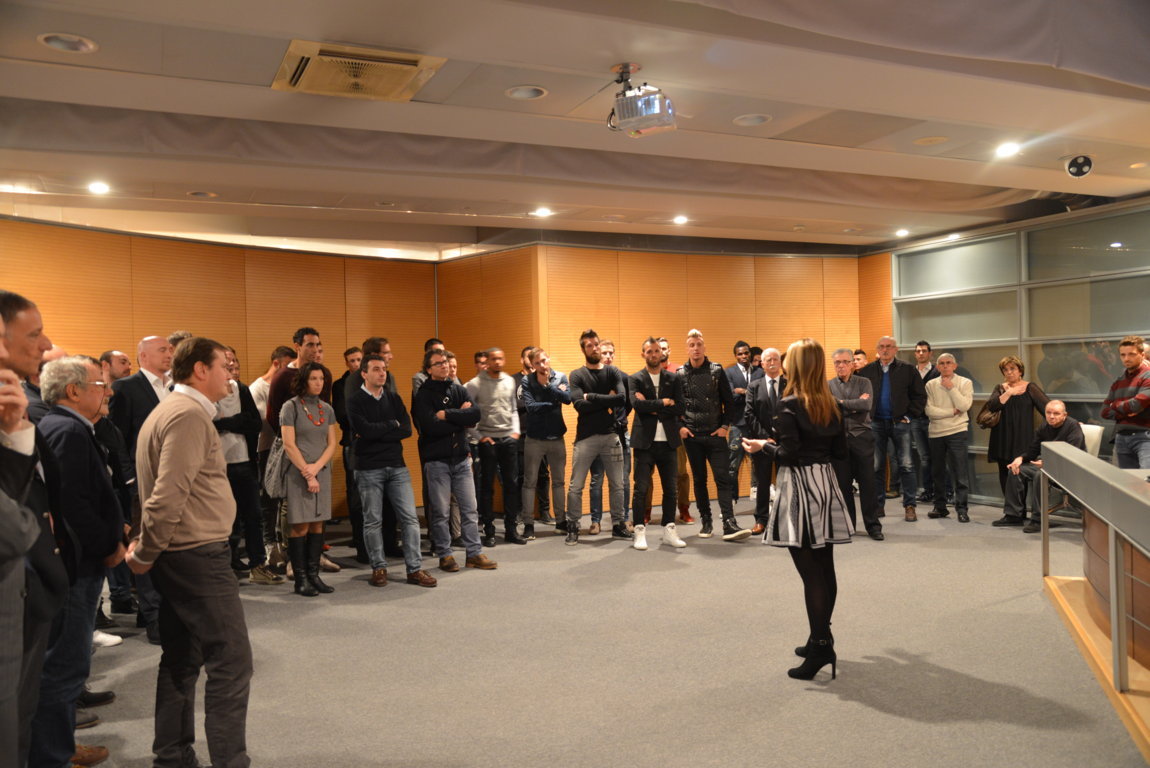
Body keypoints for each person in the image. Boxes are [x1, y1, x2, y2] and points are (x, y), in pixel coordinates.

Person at [126, 337, 254, 768]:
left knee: (181, 659)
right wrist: (145, 552)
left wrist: (150, 550)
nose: (230, 375)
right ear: (200, 370)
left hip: (183, 553)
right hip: (196, 555)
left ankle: (172, 756)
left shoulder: (175, 410)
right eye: (224, 366)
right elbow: (166, 496)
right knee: (231, 662)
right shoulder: (186, 415)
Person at [30, 356, 126, 768]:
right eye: (99, 385)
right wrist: (108, 544)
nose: (107, 391)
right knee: (66, 663)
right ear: (73, 391)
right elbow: (72, 504)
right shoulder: (67, 429)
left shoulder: (67, 426)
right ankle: (54, 754)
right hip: (76, 564)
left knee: (67, 660)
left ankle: (62, 744)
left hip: (77, 560)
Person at [743, 338, 851, 681]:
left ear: (798, 365)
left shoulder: (789, 403)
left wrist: (763, 446)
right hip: (825, 484)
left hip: (800, 488)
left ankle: (820, 645)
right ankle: (821, 635)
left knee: (810, 573)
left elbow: (788, 455)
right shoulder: (831, 402)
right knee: (825, 566)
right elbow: (840, 452)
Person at [348, 354, 437, 588]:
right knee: (372, 521)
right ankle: (378, 568)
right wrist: (390, 425)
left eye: (384, 369)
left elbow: (406, 429)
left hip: (396, 466)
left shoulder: (393, 398)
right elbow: (364, 430)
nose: (382, 373)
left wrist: (377, 431)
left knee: (409, 518)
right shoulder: (355, 401)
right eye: (376, 369)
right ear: (364, 374)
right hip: (368, 468)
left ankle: (414, 569)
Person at [412, 348, 497, 571]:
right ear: (428, 369)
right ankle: (445, 555)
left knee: (470, 509)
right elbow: (430, 427)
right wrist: (460, 418)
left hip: (461, 459)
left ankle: (474, 553)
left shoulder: (458, 389)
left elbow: (475, 415)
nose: (445, 366)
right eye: (439, 363)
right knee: (441, 512)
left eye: (446, 362)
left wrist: (447, 414)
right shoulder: (423, 395)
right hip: (437, 461)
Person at [677, 329, 749, 541]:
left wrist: (725, 426)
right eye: (692, 345)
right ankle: (706, 521)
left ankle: (729, 523)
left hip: (716, 434)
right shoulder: (679, 374)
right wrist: (680, 426)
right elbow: (675, 405)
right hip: (692, 437)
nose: (696, 349)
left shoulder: (717, 370)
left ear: (704, 347)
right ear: (687, 349)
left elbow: (729, 402)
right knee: (699, 480)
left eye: (699, 344)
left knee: (723, 479)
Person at [279, 362, 339, 597]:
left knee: (317, 524)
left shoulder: (327, 408)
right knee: (301, 525)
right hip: (298, 472)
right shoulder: (290, 407)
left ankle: (314, 575)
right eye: (313, 378)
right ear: (303, 380)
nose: (318, 383)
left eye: (321, 379)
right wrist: (307, 471)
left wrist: (317, 468)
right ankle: (300, 578)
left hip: (321, 471)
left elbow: (331, 443)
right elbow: (288, 444)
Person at [566, 330, 631, 544]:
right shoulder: (577, 375)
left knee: (618, 484)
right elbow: (579, 405)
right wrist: (606, 400)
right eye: (589, 345)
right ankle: (573, 526)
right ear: (583, 349)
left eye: (596, 344)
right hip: (585, 438)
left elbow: (621, 399)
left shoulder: (612, 372)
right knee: (576, 485)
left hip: (611, 436)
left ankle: (618, 525)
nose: (594, 348)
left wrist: (591, 397)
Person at [858, 336, 926, 522]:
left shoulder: (908, 370)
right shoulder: (866, 371)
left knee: (907, 465)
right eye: (881, 346)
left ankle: (910, 505)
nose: (885, 350)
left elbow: (920, 396)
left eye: (889, 346)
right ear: (877, 350)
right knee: (876, 466)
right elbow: (860, 397)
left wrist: (909, 416)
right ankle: (878, 505)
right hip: (876, 423)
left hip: (900, 423)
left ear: (896, 350)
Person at [629, 337, 687, 550]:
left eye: (656, 351)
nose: (654, 354)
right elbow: (637, 405)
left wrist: (651, 405)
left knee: (671, 489)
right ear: (643, 354)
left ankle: (669, 529)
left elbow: (680, 407)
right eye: (649, 351)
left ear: (661, 353)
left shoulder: (673, 378)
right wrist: (663, 402)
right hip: (644, 442)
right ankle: (639, 531)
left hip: (668, 442)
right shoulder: (635, 379)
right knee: (641, 489)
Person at [994, 400, 1086, 532]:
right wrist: (1020, 458)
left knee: (1040, 474)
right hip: (1048, 465)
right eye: (1048, 413)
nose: (1051, 416)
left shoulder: (1073, 426)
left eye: (1056, 413)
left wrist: (1048, 463)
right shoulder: (1043, 427)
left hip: (1069, 468)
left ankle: (1038, 519)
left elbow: (1073, 454)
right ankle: (1013, 515)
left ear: (1064, 415)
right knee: (1016, 470)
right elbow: (1033, 451)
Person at [466, 347, 523, 545]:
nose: (497, 362)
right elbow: (467, 415)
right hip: (488, 441)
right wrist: (479, 437)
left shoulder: (509, 381)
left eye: (500, 358)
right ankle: (489, 531)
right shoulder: (474, 384)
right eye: (493, 359)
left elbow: (513, 409)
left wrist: (515, 432)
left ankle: (511, 530)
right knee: (487, 487)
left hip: (508, 439)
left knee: (511, 485)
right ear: (487, 361)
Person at [827, 347, 882, 540]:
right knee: (843, 486)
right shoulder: (827, 385)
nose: (841, 365)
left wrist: (841, 403)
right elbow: (829, 409)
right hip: (839, 440)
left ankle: (873, 526)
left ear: (852, 364)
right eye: (837, 362)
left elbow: (866, 405)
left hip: (862, 437)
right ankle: (848, 526)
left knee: (868, 484)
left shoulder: (864, 382)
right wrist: (854, 404)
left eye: (845, 362)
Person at [519, 348, 570, 540]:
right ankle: (528, 525)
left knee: (559, 482)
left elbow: (568, 399)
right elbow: (530, 407)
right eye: (537, 363)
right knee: (529, 482)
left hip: (557, 437)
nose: (542, 365)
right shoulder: (527, 380)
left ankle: (561, 522)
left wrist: (549, 387)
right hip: (534, 438)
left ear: (548, 358)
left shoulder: (561, 377)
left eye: (544, 360)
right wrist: (553, 400)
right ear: (532, 365)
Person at [985, 355, 1049, 494]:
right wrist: (1009, 393)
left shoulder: (1030, 387)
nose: (1009, 372)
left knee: (1019, 474)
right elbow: (992, 406)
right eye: (1005, 369)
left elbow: (1048, 408)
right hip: (1002, 438)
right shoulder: (1000, 388)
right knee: (1004, 473)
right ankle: (1009, 506)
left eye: (1012, 368)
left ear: (1020, 371)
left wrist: (1067, 421)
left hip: (1022, 438)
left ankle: (1020, 507)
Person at [923, 353, 973, 522]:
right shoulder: (930, 384)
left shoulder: (965, 382)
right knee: (937, 472)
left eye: (949, 363)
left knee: (960, 472)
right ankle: (940, 507)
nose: (945, 366)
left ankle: (962, 509)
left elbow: (964, 406)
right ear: (937, 367)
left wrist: (951, 388)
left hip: (957, 431)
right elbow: (929, 411)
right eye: (942, 363)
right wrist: (951, 412)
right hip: (936, 432)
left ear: (955, 366)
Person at [745, 347, 784, 536]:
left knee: (786, 481)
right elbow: (749, 414)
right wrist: (765, 438)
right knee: (763, 482)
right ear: (762, 364)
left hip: (785, 441)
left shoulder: (789, 384)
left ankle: (786, 518)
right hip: (762, 442)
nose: (772, 363)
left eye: (775, 359)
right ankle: (761, 520)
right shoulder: (754, 386)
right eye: (768, 360)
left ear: (780, 362)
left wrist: (781, 436)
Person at [1101, 335, 1150, 469]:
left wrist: (1115, 404)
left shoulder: (1147, 376)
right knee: (1124, 480)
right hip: (1121, 436)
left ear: (1142, 355)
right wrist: (1126, 411)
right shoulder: (1119, 380)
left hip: (1145, 436)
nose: (1126, 358)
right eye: (1123, 355)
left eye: (1131, 354)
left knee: (1146, 478)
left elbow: (1136, 405)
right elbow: (1104, 411)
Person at [725, 340, 763, 505]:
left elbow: (761, 396)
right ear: (736, 356)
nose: (744, 356)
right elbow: (730, 397)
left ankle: (759, 498)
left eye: (746, 353)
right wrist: (746, 393)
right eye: (740, 354)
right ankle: (731, 499)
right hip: (737, 424)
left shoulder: (760, 372)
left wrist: (742, 391)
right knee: (732, 465)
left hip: (756, 424)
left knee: (759, 462)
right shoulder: (729, 372)